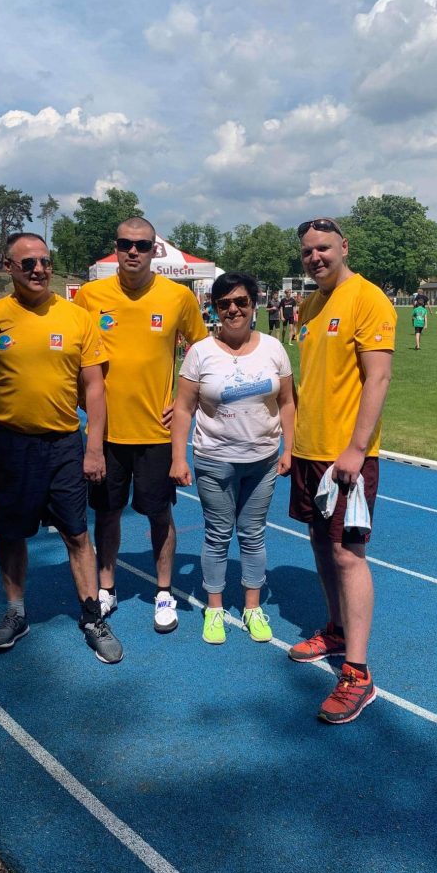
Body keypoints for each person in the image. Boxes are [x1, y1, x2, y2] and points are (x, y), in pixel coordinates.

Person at [0, 231, 123, 663]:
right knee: (12, 531)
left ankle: (92, 616)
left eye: (44, 261)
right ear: (9, 267)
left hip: (64, 445)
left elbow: (94, 386)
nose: (39, 269)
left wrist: (94, 447)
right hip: (12, 445)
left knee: (77, 533)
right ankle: (16, 612)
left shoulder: (77, 318)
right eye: (28, 263)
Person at [74, 217, 207, 632]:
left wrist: (190, 402)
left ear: (154, 249)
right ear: (115, 248)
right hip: (106, 433)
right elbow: (73, 358)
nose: (133, 252)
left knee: (159, 514)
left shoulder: (177, 298)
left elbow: (204, 356)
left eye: (142, 245)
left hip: (157, 433)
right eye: (125, 244)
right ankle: (108, 587)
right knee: (107, 513)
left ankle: (164, 590)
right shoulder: (90, 297)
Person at [287, 217, 396, 725]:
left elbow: (378, 378)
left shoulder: (368, 298)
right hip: (311, 452)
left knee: (348, 555)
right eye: (308, 252)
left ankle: (357, 673)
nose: (315, 258)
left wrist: (356, 448)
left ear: (344, 247)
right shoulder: (310, 303)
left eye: (324, 249)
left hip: (346, 455)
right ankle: (334, 630)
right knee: (318, 544)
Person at [170, 272, 295, 645]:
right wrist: (179, 457)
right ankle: (214, 607)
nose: (233, 309)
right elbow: (182, 409)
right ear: (215, 308)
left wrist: (290, 448)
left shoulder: (273, 348)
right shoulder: (200, 352)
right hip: (215, 459)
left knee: (253, 535)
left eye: (240, 301)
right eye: (224, 304)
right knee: (218, 534)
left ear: (254, 305)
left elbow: (287, 402)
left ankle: (253, 607)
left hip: (262, 459)